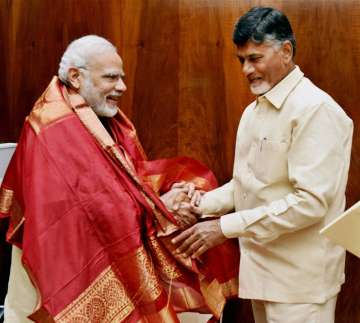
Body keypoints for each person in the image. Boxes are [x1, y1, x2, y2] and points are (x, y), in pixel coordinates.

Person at [0, 35, 239, 322]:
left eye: (122, 78)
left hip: (99, 240)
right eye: (111, 78)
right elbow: (91, 208)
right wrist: (159, 206)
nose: (122, 87)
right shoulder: (51, 123)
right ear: (75, 77)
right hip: (61, 253)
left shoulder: (104, 119)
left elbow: (128, 182)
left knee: (190, 180)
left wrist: (172, 193)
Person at [173, 7, 353, 323]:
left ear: (286, 51)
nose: (246, 69)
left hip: (302, 288)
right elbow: (247, 185)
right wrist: (198, 204)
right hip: (261, 278)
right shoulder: (253, 112)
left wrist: (222, 228)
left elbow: (310, 203)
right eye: (241, 60)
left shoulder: (316, 109)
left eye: (255, 58)